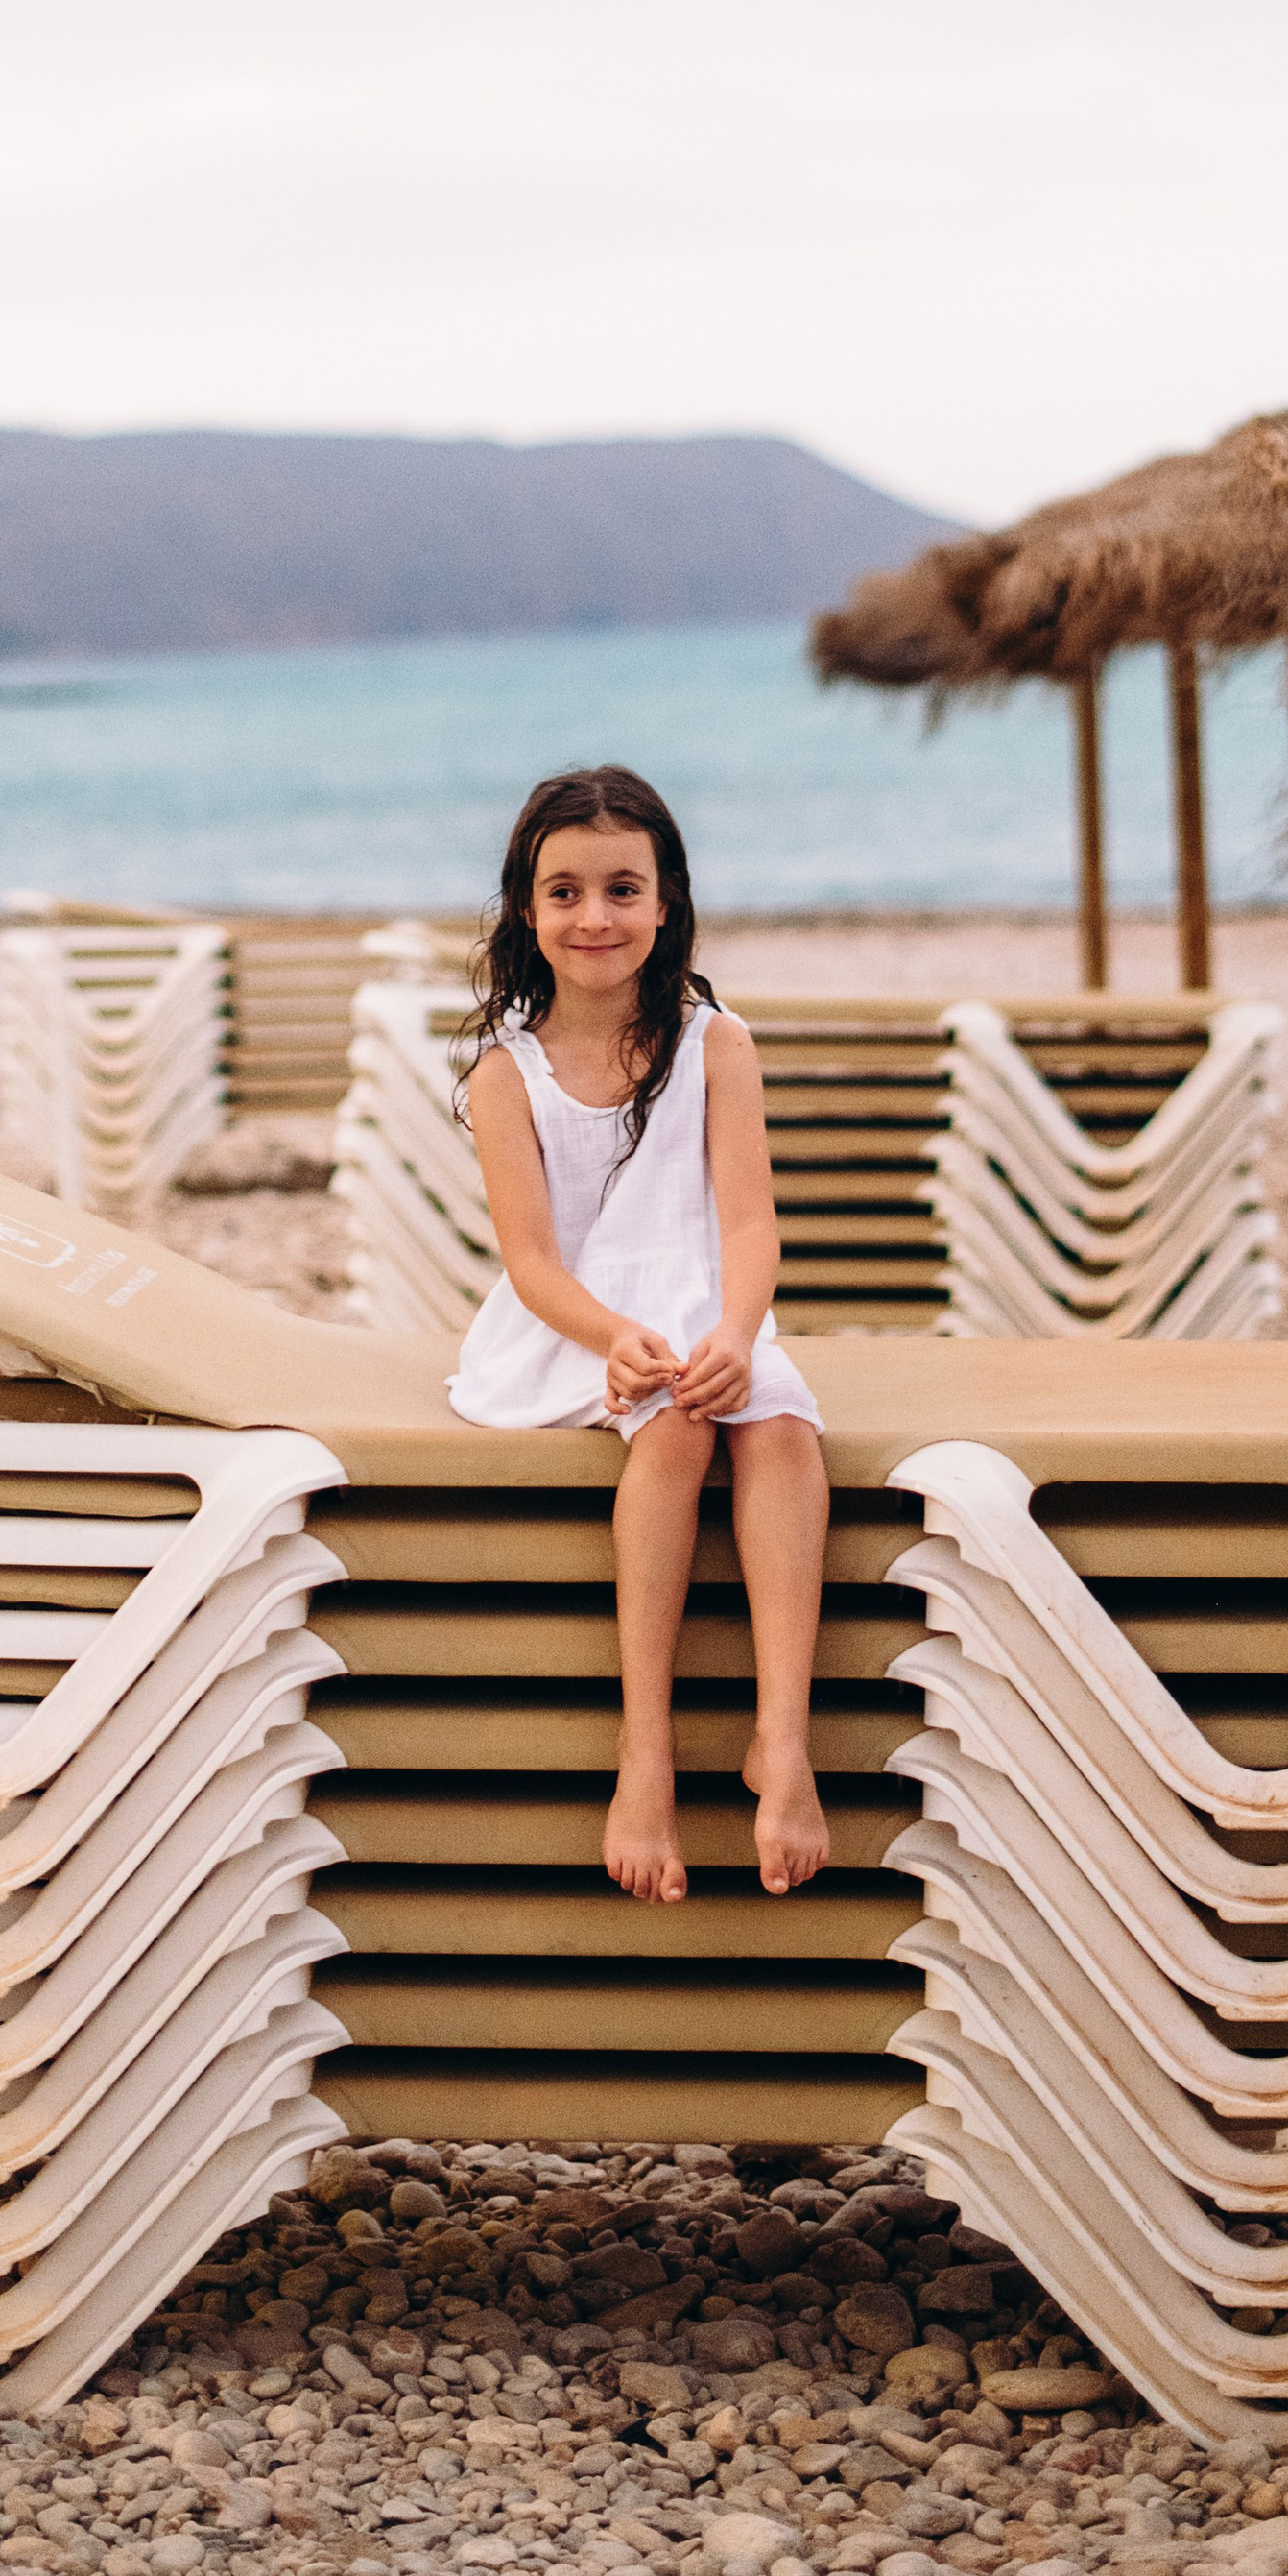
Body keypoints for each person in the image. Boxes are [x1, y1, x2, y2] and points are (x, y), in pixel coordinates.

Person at [447, 762, 830, 1906]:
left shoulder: (716, 1045)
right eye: (564, 892)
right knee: (672, 1430)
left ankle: (782, 1739)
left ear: (666, 905)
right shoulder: (505, 1079)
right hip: (571, 1321)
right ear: (526, 910)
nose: (595, 916)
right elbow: (530, 1266)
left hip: (706, 1303)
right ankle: (646, 1753)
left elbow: (752, 1222)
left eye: (623, 888)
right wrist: (618, 1337)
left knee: (779, 1429)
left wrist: (738, 1330)